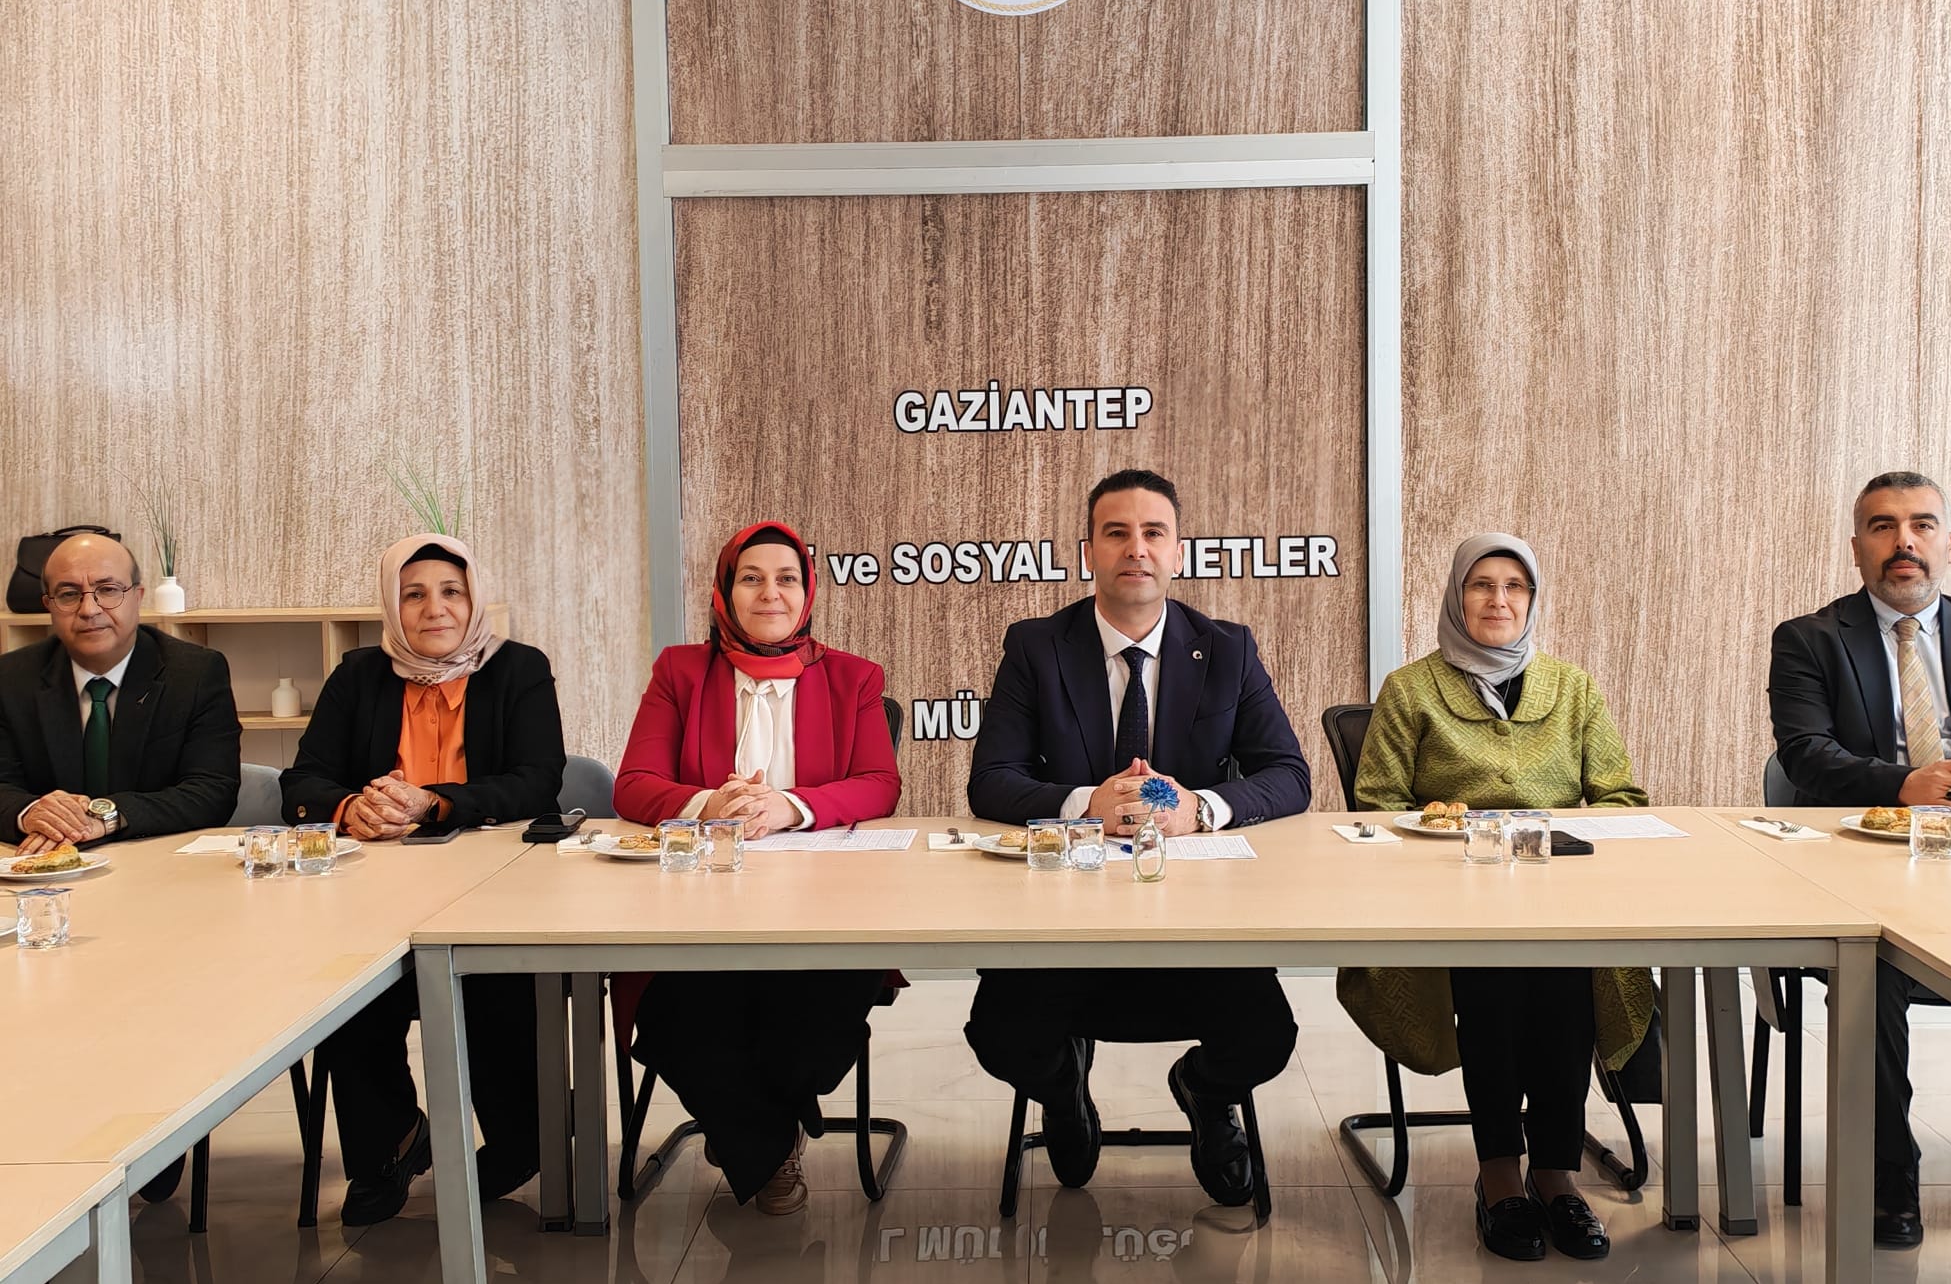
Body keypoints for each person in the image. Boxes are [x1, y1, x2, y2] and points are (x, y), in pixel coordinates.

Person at [964, 469, 1311, 1207]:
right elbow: (990, 781)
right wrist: (1086, 804)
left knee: (1265, 1038)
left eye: (1154, 533)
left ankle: (1205, 1092)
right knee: (1000, 1035)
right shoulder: (1036, 647)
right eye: (1116, 533)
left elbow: (1288, 774)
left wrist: (1200, 809)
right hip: (1061, 921)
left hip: (1198, 922)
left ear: (1178, 550)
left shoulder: (1227, 649)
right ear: (1088, 550)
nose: (1136, 549)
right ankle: (1064, 1089)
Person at [1339, 533, 1651, 1262]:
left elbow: (1621, 797)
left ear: (1532, 600)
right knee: (1493, 977)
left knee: (1569, 978)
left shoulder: (1572, 688)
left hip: (1558, 894)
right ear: (1457, 596)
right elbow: (1376, 803)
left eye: (1515, 586)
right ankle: (1500, 1174)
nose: (1498, 600)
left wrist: (1560, 835)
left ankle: (1557, 1175)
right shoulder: (1411, 689)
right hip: (1447, 898)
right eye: (1481, 585)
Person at [1769, 470, 1951, 1248]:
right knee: (1876, 967)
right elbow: (1804, 754)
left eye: (1922, 525)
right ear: (1857, 546)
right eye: (1883, 526)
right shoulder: (1810, 639)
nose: (1905, 542)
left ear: (1947, 542)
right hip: (1862, 862)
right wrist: (1903, 783)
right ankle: (1888, 1173)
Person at [615, 520, 901, 1215]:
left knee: (818, 1022)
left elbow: (879, 784)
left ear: (807, 593)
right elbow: (633, 785)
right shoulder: (680, 672)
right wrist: (709, 803)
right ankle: (769, 1143)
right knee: (676, 1018)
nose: (770, 593)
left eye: (786, 579)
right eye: (751, 578)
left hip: (826, 910)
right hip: (697, 909)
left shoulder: (854, 677)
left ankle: (745, 1126)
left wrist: (789, 807)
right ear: (725, 591)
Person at [281, 534, 565, 1226]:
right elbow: (304, 780)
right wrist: (351, 807)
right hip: (376, 891)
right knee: (348, 990)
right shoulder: (358, 676)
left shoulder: (519, 669)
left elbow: (537, 781)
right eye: (413, 595)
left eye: (451, 592)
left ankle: (522, 1142)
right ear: (391, 605)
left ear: (474, 599)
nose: (434, 608)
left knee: (497, 985)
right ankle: (392, 1143)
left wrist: (432, 802)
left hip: (498, 885)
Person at [0, 532, 240, 850]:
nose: (89, 609)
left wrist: (106, 818)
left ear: (138, 597)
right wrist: (30, 813)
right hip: (48, 864)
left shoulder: (195, 673)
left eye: (108, 590)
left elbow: (212, 791)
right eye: (69, 594)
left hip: (155, 859)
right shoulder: (11, 678)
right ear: (49, 606)